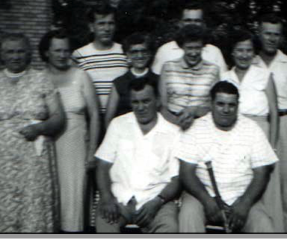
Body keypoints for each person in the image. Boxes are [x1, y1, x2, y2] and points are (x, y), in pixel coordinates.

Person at [0, 33, 65, 233]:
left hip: (34, 159)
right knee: (3, 207)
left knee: (34, 205)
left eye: (20, 51)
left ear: (29, 53)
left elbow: (59, 117)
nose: (15, 56)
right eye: (10, 52)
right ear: (1, 55)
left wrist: (39, 128)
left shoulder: (42, 79)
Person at [177, 81, 278, 233]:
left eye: (231, 105)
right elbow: (186, 172)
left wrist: (244, 204)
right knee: (188, 215)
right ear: (211, 104)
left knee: (263, 225)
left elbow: (262, 172)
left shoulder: (252, 128)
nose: (226, 110)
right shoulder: (196, 127)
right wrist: (208, 202)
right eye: (220, 104)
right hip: (202, 196)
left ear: (238, 105)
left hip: (242, 197)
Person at [95, 77, 181, 233]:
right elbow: (102, 165)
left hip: (156, 200)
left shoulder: (173, 132)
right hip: (119, 198)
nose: (140, 107)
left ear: (158, 101)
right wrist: (106, 197)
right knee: (104, 227)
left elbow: (176, 179)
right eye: (136, 102)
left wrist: (157, 201)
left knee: (169, 229)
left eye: (146, 101)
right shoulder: (118, 124)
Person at [220, 29, 284, 232]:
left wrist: (272, 147)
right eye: (239, 50)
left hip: (261, 133)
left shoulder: (264, 75)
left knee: (266, 185)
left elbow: (274, 113)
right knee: (238, 184)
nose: (244, 54)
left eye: (248, 50)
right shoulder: (224, 76)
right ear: (232, 53)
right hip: (234, 135)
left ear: (254, 53)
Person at [39, 30, 100, 233]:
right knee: (49, 193)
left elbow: (94, 114)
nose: (63, 55)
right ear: (47, 52)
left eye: (67, 50)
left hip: (76, 144)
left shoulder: (81, 76)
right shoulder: (39, 78)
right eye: (57, 50)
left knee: (73, 196)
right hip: (47, 144)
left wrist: (92, 150)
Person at [253, 13, 287, 232]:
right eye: (267, 33)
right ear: (259, 34)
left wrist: (283, 121)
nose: (272, 38)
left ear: (281, 37)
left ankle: (282, 230)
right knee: (255, 180)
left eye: (276, 34)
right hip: (257, 124)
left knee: (283, 182)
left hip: (284, 124)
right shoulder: (250, 60)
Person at [159, 24, 220, 130]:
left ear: (203, 46)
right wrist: (176, 122)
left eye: (197, 48)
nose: (193, 53)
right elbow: (162, 104)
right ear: (182, 46)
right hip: (171, 122)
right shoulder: (168, 67)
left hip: (203, 125)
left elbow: (214, 105)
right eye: (189, 48)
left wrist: (195, 110)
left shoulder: (213, 70)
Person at [72, 4, 128, 118]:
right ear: (91, 27)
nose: (107, 29)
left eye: (110, 23)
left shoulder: (125, 52)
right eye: (101, 23)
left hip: (121, 117)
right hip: (92, 119)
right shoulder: (79, 55)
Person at [151, 2, 227, 75]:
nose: (192, 24)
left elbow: (222, 82)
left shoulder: (214, 52)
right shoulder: (165, 50)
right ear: (179, 23)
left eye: (197, 21)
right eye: (188, 20)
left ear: (203, 24)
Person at [105, 32, 159, 128]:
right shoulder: (119, 83)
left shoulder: (158, 80)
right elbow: (109, 118)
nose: (140, 56)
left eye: (144, 51)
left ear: (150, 54)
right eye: (134, 52)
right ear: (127, 55)